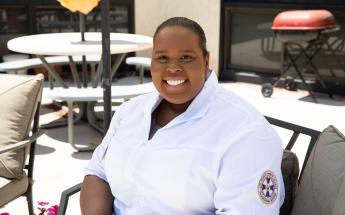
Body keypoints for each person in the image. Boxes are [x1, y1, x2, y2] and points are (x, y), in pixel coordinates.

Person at [80, 17, 285, 215]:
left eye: (186, 57)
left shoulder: (247, 134)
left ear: (206, 61)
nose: (173, 67)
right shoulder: (130, 112)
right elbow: (98, 173)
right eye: (162, 58)